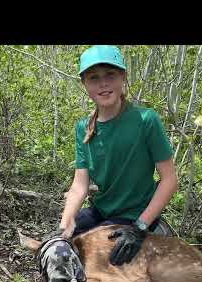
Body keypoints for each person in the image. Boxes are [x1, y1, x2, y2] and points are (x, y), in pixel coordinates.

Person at [59, 45, 178, 266]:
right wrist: (65, 225)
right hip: (101, 211)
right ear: (84, 84)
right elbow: (79, 186)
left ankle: (156, 230)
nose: (103, 83)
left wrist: (140, 227)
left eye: (110, 75)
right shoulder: (84, 128)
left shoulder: (145, 120)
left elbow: (169, 180)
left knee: (96, 257)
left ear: (122, 77)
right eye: (94, 78)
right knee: (60, 246)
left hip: (135, 215)